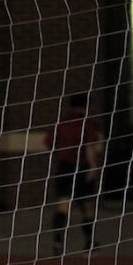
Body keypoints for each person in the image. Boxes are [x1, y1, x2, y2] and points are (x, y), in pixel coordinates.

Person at [44, 93, 101, 254]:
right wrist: (93, 166)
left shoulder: (62, 122)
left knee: (63, 205)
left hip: (64, 167)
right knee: (87, 206)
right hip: (81, 167)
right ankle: (90, 242)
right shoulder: (87, 123)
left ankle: (58, 240)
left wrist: (61, 154)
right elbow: (90, 145)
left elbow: (49, 141)